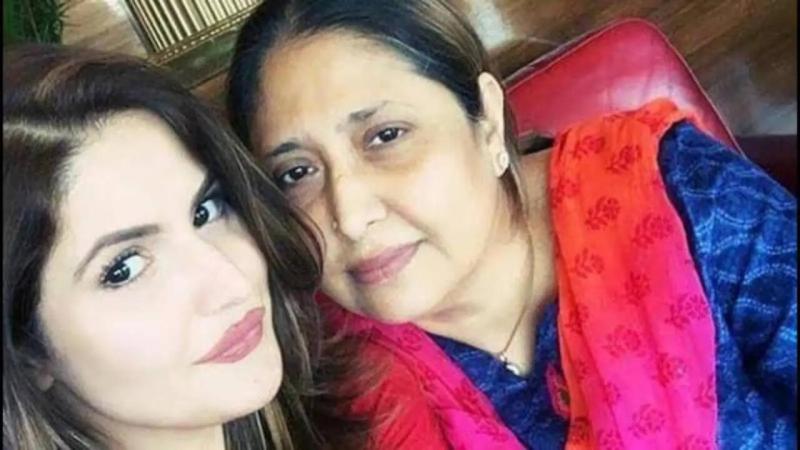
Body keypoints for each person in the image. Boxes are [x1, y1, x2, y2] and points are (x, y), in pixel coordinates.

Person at [227, 0, 798, 448]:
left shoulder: (676, 192)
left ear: (488, 121)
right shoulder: (316, 373)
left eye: (386, 136)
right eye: (296, 173)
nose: (350, 217)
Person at [2, 44, 367, 450]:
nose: (232, 284)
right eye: (124, 268)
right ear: (26, 352)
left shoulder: (363, 407)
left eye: (206, 211)